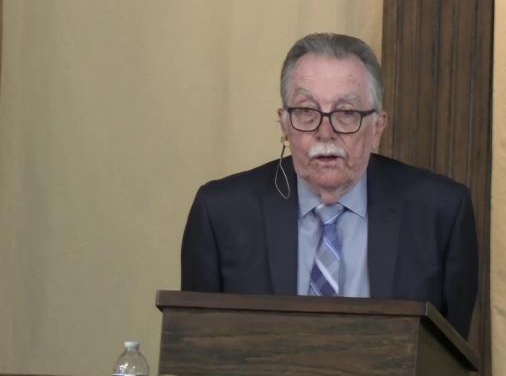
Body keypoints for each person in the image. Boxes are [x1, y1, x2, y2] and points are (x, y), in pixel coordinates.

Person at [181, 33, 478, 337]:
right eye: (306, 112)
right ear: (284, 124)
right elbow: (197, 347)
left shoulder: (441, 214)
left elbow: (449, 354)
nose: (325, 132)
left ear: (377, 128)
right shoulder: (220, 213)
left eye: (346, 113)